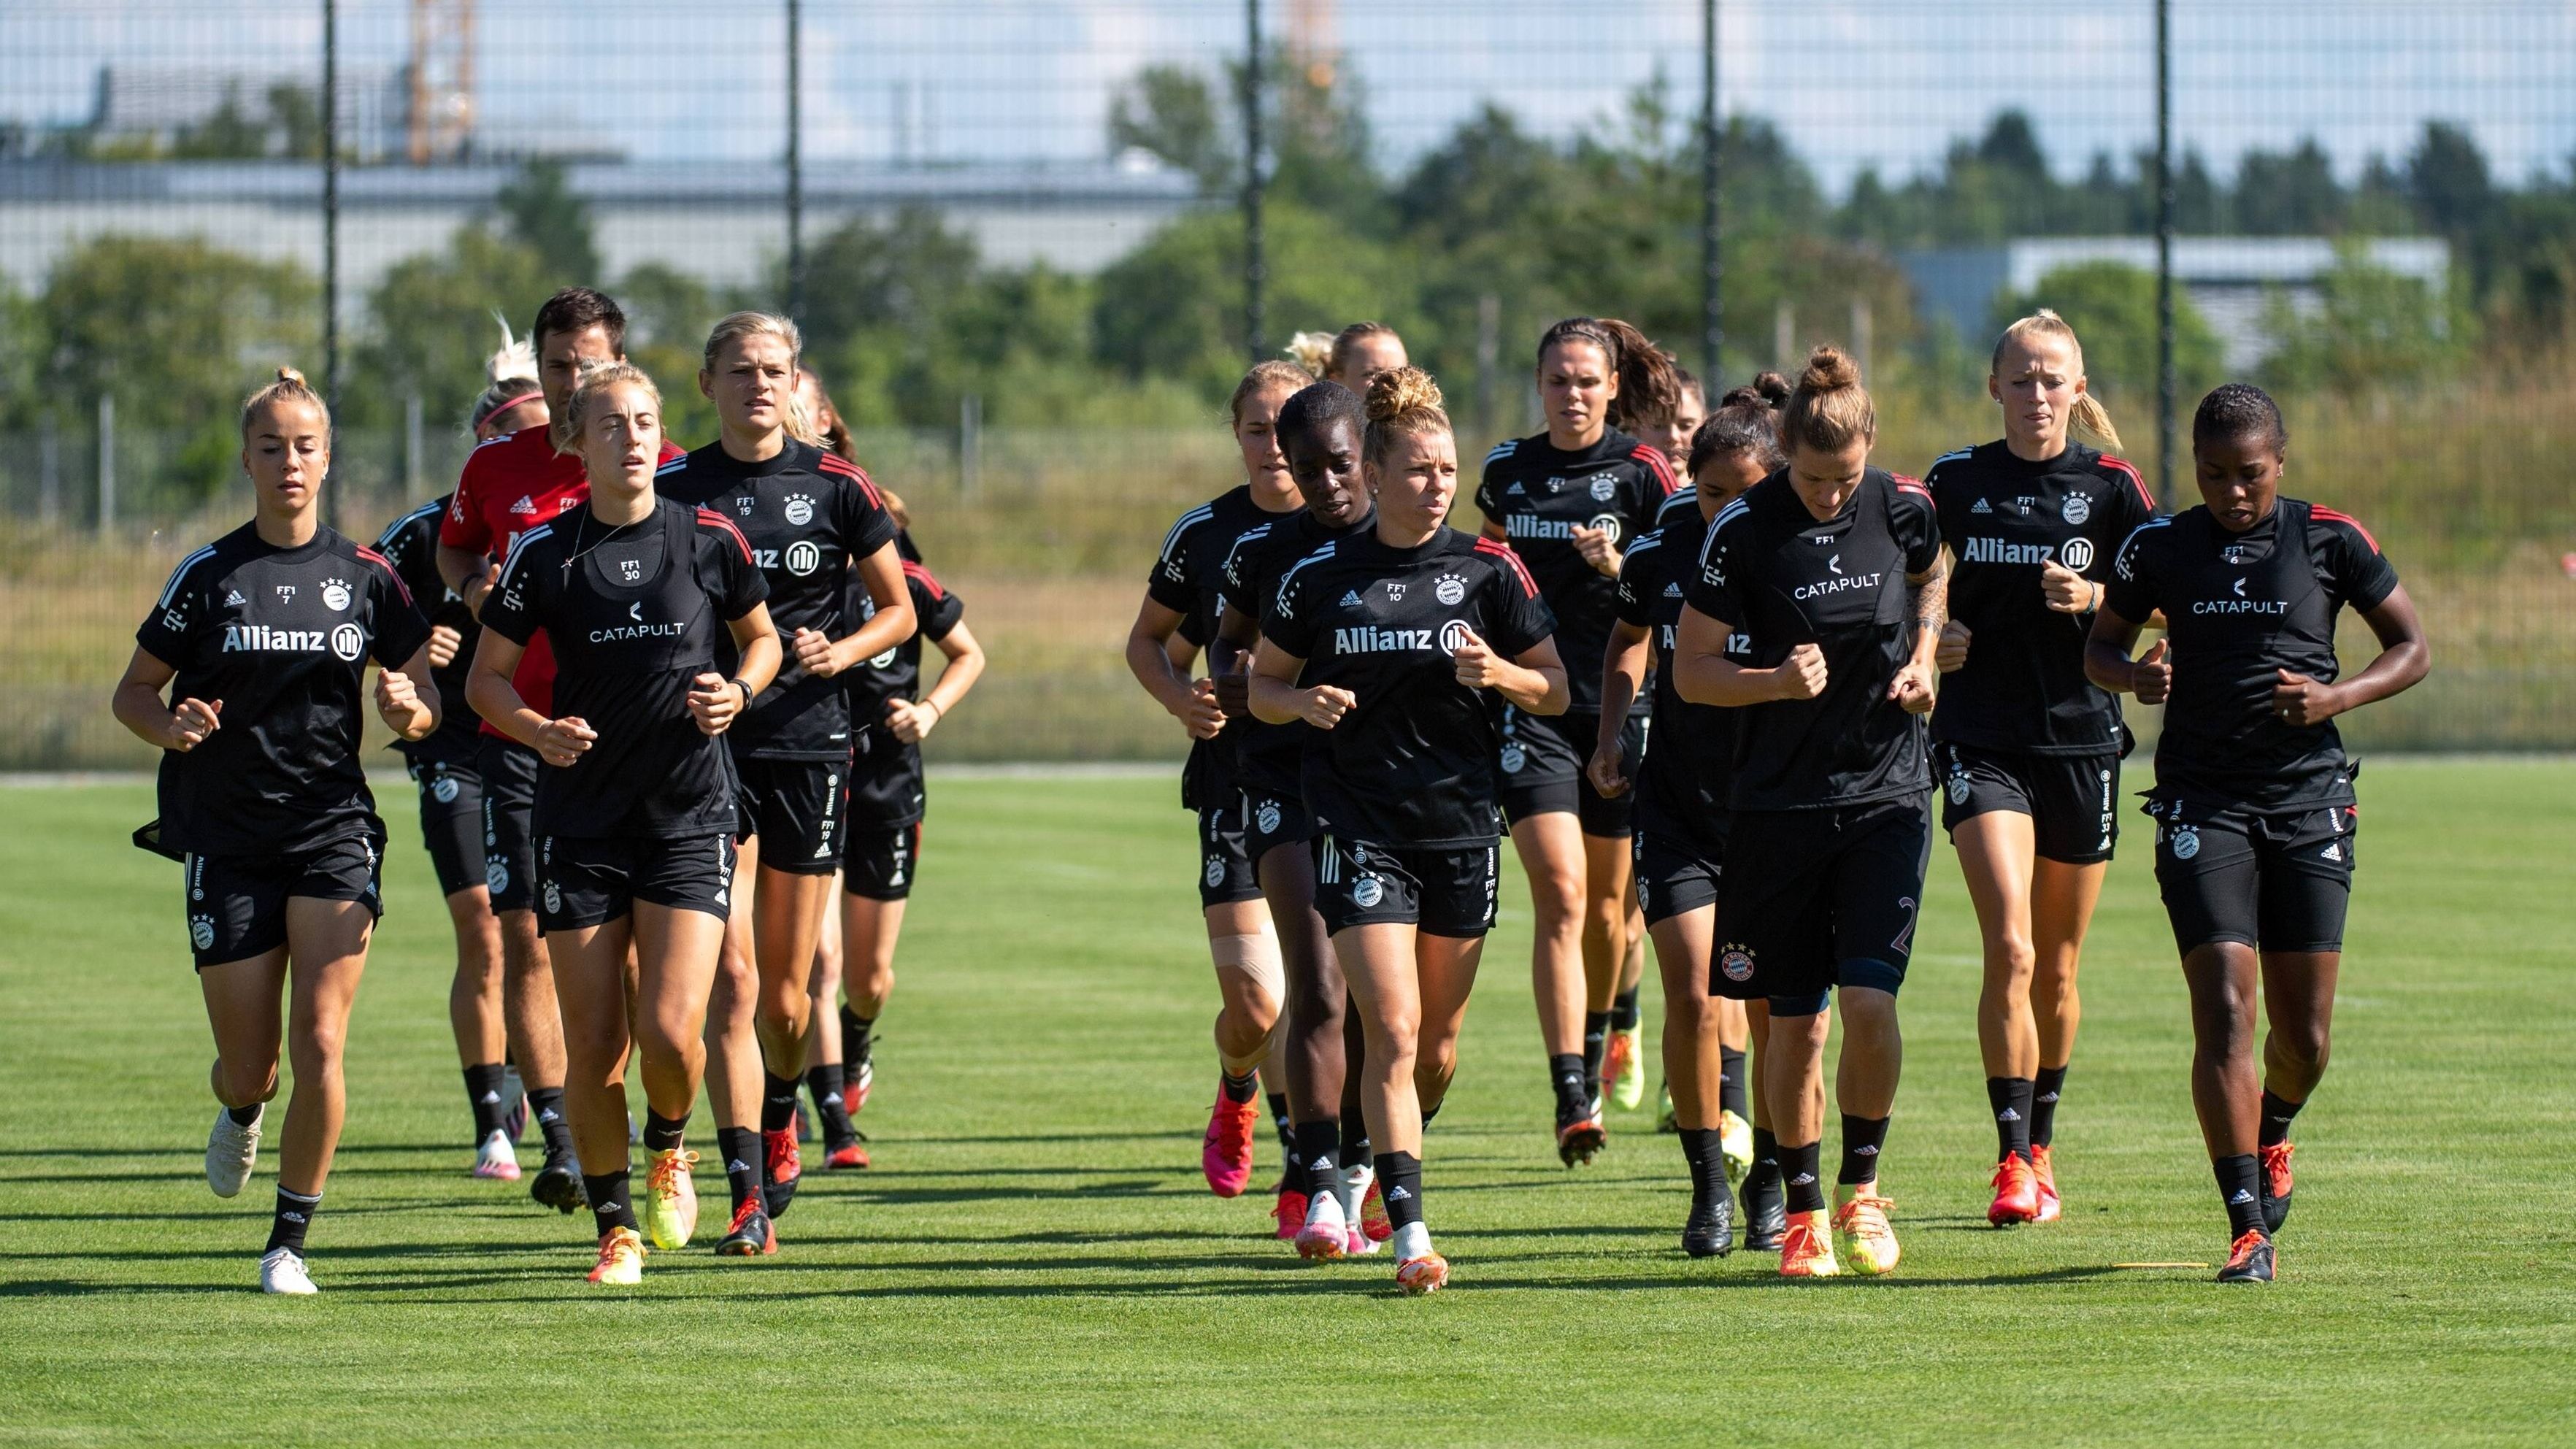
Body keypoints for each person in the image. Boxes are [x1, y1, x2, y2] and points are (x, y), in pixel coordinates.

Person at [2087, 383, 2426, 1285]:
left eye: (2249, 475)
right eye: (2212, 475)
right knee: (2226, 1011)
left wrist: (2335, 695)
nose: (2232, 492)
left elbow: (2411, 648)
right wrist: (2133, 677)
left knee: (2305, 1038)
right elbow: (2098, 645)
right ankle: (2245, 1227)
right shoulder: (2159, 546)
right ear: (2193, 468)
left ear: (2280, 461)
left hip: (2308, 796)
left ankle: (2273, 1125)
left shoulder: (2328, 538)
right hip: (2203, 802)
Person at [113, 369, 442, 1293]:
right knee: (249, 1065)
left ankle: (288, 1240)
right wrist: (169, 726)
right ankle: (240, 1108)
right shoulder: (210, 574)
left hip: (333, 830)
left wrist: (408, 706)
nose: (289, 460)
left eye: (305, 445)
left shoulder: (368, 576)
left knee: (323, 1042)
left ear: (327, 458)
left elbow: (426, 698)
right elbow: (133, 691)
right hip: (228, 837)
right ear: (247, 459)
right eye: (271, 445)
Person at [1250, 367, 1566, 1291]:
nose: (1435, 483)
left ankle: (1358, 1165)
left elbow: (1556, 687)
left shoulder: (1489, 569)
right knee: (1386, 1025)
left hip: (1463, 827)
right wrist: (1301, 699)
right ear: (1380, 472)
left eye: (1447, 469)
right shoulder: (1319, 576)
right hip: (1358, 824)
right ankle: (1410, 1230)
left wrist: (1498, 675)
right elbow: (1261, 689)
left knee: (1433, 1047)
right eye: (1419, 468)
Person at [468, 362, 781, 1285]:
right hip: (582, 821)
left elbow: (759, 637)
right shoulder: (544, 553)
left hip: (690, 811)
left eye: (645, 421)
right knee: (597, 1043)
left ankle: (671, 1147)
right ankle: (615, 1228)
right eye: (612, 425)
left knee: (674, 1031)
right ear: (579, 439)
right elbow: (487, 678)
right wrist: (536, 730)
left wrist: (741, 688)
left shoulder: (708, 537)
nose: (634, 438)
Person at [1672, 346, 1947, 1280]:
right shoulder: (1741, 530)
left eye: (1848, 479)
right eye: (1817, 479)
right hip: (1776, 806)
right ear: (1785, 451)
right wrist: (1772, 681)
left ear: (1871, 452)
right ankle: (1800, 1210)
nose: (1833, 496)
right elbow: (1690, 672)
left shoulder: (1903, 504)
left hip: (1887, 793)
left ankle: (1861, 1191)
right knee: (1795, 1025)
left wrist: (1922, 655)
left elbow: (1931, 572)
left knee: (1868, 1002)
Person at [657, 312, 910, 1256]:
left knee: (788, 998)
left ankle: (779, 1114)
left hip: (807, 744)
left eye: (774, 370)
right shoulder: (674, 487)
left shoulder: (838, 486)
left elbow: (898, 611)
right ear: (707, 382)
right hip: (702, 750)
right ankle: (744, 1192)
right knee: (730, 976)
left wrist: (836, 652)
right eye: (741, 370)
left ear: (795, 380)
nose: (759, 384)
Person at [437, 287, 683, 1215]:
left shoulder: (662, 467)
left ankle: (657, 1131)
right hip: (518, 738)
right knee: (527, 942)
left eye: (587, 365)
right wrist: (473, 593)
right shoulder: (495, 467)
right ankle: (565, 1139)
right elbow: (456, 552)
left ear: (617, 365)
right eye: (555, 367)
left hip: (637, 748)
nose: (570, 382)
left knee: (631, 967)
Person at [1925, 310, 2159, 1228]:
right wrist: (1929, 632)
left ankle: (2046, 1142)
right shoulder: (1955, 479)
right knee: (2012, 947)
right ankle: (2010, 1156)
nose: (2035, 395)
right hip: (1980, 738)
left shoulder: (2111, 486)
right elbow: (1911, 571)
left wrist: (2101, 595)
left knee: (2058, 968)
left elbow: (2173, 592)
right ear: (1994, 387)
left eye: (2051, 379)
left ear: (2078, 387)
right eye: (2019, 379)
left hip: (2081, 742)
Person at [1475, 317, 1683, 1164]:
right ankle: (1570, 1087)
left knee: (1610, 909)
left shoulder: (1641, 471)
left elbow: (1677, 575)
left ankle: (1603, 1037)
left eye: (1587, 381)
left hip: (1620, 709)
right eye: (1558, 380)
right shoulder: (1505, 471)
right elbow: (1482, 570)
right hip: (1533, 709)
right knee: (1560, 893)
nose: (1572, 395)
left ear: (1609, 386)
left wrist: (1618, 565)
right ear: (1539, 383)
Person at [1589, 380, 1785, 1256]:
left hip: (1779, 808)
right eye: (1710, 493)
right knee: (1696, 995)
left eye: (1742, 493)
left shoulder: (1802, 553)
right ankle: (1708, 1182)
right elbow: (1627, 638)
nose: (1723, 512)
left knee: (1781, 1008)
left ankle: (1776, 1175)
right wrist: (1610, 734)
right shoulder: (1662, 548)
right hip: (1676, 805)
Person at [1124, 359, 1312, 1201]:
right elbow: (1150, 642)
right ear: (1235, 434)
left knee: (1325, 992)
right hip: (1235, 782)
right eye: (1255, 428)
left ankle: (1307, 1169)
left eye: (1287, 427)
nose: (1273, 445)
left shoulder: (1354, 527)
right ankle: (1238, 1085)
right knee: (1256, 1003)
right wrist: (1179, 701)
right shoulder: (1204, 533)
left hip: (1330, 788)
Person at [367, 343, 552, 1180]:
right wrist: (408, 661)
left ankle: (554, 1082)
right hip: (454, 745)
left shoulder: (571, 523)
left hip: (546, 739)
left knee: (561, 938)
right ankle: (493, 1122)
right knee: (483, 927)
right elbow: (349, 627)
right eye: (508, 431)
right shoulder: (421, 535)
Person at [1214, 379, 1390, 1255]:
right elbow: (1225, 643)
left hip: (1385, 794)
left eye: (1340, 463)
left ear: (1367, 452)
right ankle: (1319, 1186)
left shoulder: (1406, 547)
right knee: (1315, 983)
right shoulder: (1264, 550)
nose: (1325, 483)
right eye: (1306, 465)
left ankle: (1362, 1165)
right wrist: (1252, 687)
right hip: (1283, 777)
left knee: (1384, 1009)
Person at [813, 499, 987, 1171]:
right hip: (815, 780)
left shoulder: (909, 584)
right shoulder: (804, 584)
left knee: (868, 978)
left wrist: (929, 710)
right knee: (819, 965)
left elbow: (968, 654)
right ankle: (831, 1121)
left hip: (888, 792)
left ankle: (855, 1036)